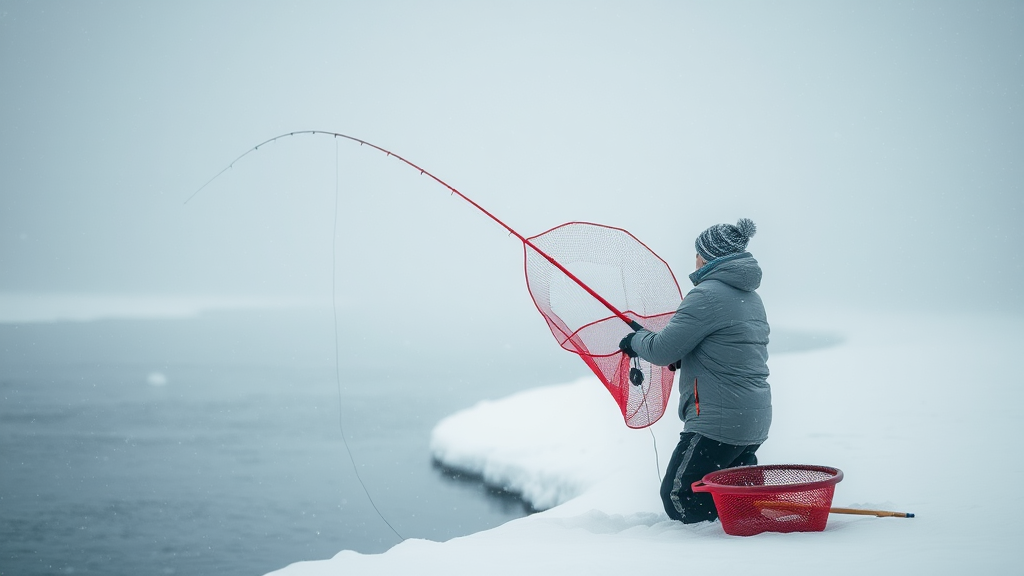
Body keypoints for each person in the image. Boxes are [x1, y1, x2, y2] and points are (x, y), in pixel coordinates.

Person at [619, 218, 771, 524]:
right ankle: (741, 545)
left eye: (699, 253)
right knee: (734, 499)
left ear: (711, 255)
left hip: (718, 422)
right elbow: (726, 350)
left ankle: (706, 556)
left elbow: (662, 350)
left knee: (680, 497)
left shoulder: (707, 295)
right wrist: (685, 356)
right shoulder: (750, 297)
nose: (696, 259)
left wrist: (636, 340)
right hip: (752, 419)